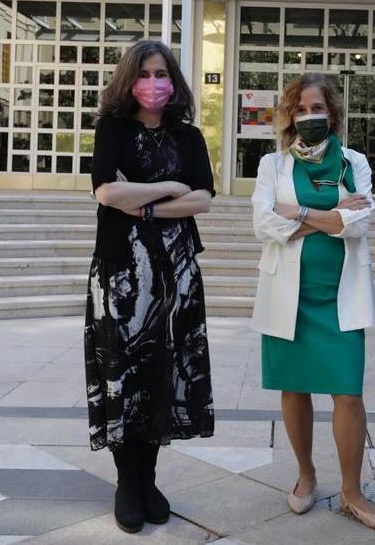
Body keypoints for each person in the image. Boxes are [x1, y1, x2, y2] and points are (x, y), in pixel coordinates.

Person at [250, 73, 375, 532]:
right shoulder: (273, 165)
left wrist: (303, 214)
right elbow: (264, 224)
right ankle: (306, 476)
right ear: (290, 116)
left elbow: (360, 221)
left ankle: (352, 491)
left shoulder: (353, 161)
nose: (311, 115)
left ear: (333, 113)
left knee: (348, 392)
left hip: (339, 297)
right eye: (301, 108)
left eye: (319, 108)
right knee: (295, 387)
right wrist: (331, 216)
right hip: (288, 296)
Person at [85, 40, 216, 534]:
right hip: (120, 270)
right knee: (125, 369)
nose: (154, 82)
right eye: (144, 73)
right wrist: (167, 189)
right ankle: (126, 483)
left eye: (162, 73)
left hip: (175, 273)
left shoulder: (188, 137)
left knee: (162, 369)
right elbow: (105, 190)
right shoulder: (113, 130)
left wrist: (141, 204)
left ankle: (150, 480)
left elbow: (202, 199)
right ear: (129, 79)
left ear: (173, 80)